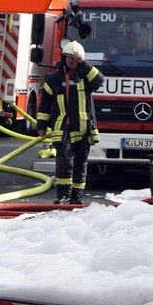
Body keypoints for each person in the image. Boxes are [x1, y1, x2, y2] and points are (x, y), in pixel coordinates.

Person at [37, 40, 104, 205]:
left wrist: (84, 63)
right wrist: (41, 126)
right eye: (69, 58)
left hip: (83, 127)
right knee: (64, 160)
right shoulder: (54, 79)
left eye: (75, 58)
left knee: (81, 162)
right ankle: (63, 195)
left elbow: (100, 81)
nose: (71, 61)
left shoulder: (86, 77)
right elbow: (45, 104)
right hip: (62, 127)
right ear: (63, 58)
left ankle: (76, 197)